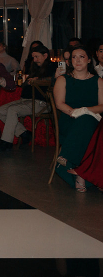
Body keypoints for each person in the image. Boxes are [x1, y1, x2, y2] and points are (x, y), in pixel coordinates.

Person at [53, 47, 103, 192]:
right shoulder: (63, 79)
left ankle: (67, 157)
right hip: (69, 120)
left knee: (87, 121)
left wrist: (86, 111)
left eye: (82, 56)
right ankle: (84, 175)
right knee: (84, 123)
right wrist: (76, 113)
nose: (78, 60)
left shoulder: (98, 81)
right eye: (74, 57)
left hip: (92, 120)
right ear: (70, 61)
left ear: (88, 60)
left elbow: (102, 106)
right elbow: (59, 103)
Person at [0, 45, 57, 151]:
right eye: (33, 57)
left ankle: (6, 142)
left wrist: (39, 80)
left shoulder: (53, 67)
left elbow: (54, 80)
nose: (34, 60)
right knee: (0, 111)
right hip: (26, 100)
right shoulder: (34, 67)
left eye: (37, 57)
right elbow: (24, 85)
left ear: (45, 55)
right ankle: (24, 133)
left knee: (12, 110)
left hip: (42, 103)